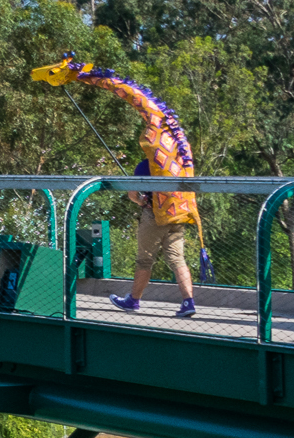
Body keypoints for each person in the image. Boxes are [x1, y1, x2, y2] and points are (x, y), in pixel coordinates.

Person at [32, 53, 200, 319]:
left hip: (153, 213)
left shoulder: (145, 167)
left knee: (145, 258)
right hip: (177, 211)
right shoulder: (179, 156)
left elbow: (134, 195)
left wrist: (140, 200)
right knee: (176, 258)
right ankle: (188, 302)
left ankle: (133, 300)